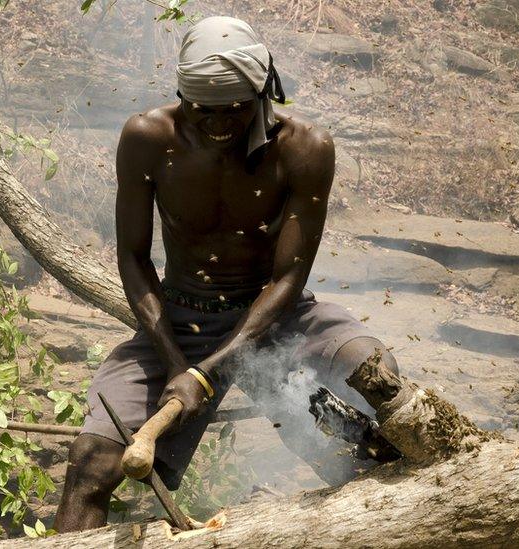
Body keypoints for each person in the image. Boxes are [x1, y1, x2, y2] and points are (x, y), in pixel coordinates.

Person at [53, 15, 400, 532]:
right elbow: (133, 257)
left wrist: (204, 374)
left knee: (374, 372)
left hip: (278, 317)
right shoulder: (148, 137)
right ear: (181, 95)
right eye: (202, 111)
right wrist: (176, 363)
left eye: (234, 111)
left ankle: (407, 504)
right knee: (91, 462)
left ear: (263, 93)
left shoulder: (305, 148)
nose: (217, 124)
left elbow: (288, 280)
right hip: (181, 320)